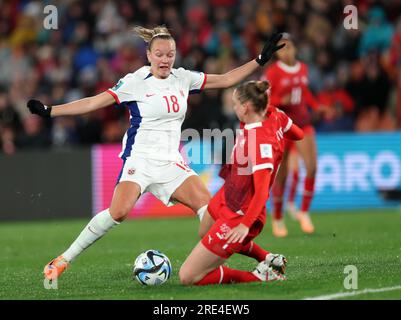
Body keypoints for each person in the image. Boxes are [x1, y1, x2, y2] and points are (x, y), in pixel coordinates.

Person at [27, 26, 286, 281]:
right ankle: (63, 259)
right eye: (160, 54)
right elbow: (93, 102)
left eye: (170, 54)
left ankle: (265, 259)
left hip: (172, 163)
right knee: (118, 212)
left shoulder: (183, 77)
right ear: (149, 55)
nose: (165, 59)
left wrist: (259, 60)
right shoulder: (134, 82)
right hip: (140, 160)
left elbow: (226, 79)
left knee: (212, 217)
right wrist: (51, 111)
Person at [179, 80, 304, 285]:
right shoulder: (274, 114)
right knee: (204, 232)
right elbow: (298, 134)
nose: (233, 107)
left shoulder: (260, 142)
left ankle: (260, 276)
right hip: (229, 194)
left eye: (235, 104)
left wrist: (245, 226)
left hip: (241, 212)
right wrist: (278, 124)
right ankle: (266, 257)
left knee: (188, 277)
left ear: (246, 107)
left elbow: (262, 192)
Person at [262, 33, 327, 237]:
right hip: (283, 127)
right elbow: (266, 102)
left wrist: (317, 106)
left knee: (312, 167)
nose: (286, 51)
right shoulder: (273, 73)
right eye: (282, 48)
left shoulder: (303, 69)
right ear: (277, 54)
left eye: (289, 47)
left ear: (295, 49)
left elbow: (304, 93)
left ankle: (304, 212)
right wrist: (283, 98)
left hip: (303, 123)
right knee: (281, 176)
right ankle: (279, 219)